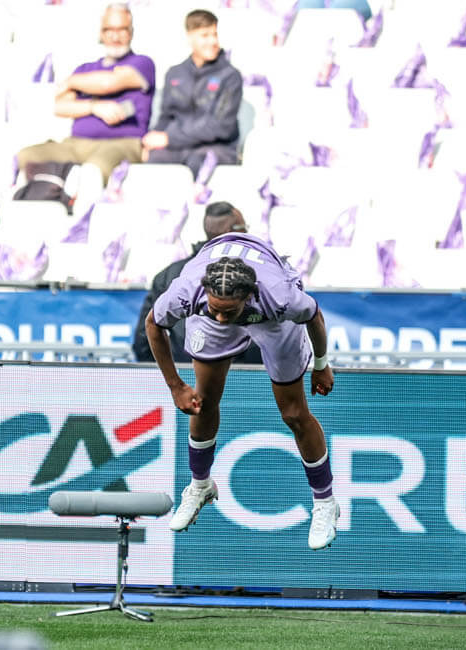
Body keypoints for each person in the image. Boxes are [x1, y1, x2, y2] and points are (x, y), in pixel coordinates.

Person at [143, 201, 339, 550]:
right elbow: (152, 325)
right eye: (215, 309)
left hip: (272, 323)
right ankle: (200, 485)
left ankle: (325, 503)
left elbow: (314, 316)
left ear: (249, 297)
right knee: (202, 402)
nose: (221, 318)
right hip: (218, 301)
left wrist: (322, 364)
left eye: (228, 312)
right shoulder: (187, 291)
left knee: (294, 414)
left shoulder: (279, 297)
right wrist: (175, 386)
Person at [17, 2, 156, 184]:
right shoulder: (85, 68)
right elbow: (60, 106)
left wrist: (71, 81)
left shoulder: (142, 63)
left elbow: (108, 83)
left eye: (122, 29)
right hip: (76, 144)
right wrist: (93, 107)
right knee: (25, 157)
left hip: (121, 143)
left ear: (131, 32)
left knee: (94, 171)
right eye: (109, 30)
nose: (115, 36)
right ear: (101, 33)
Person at [132, 201, 261, 365]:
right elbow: (146, 335)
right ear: (232, 231)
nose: (247, 233)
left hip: (190, 375)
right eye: (244, 227)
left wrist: (171, 376)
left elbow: (143, 342)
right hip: (249, 376)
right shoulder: (262, 273)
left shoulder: (170, 274)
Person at [142, 9, 242, 175]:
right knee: (154, 160)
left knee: (198, 162)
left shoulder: (231, 76)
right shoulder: (174, 73)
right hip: (178, 146)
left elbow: (220, 126)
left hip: (217, 147)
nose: (213, 41)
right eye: (205, 35)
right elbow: (166, 117)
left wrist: (169, 138)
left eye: (215, 34)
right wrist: (151, 141)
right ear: (189, 36)